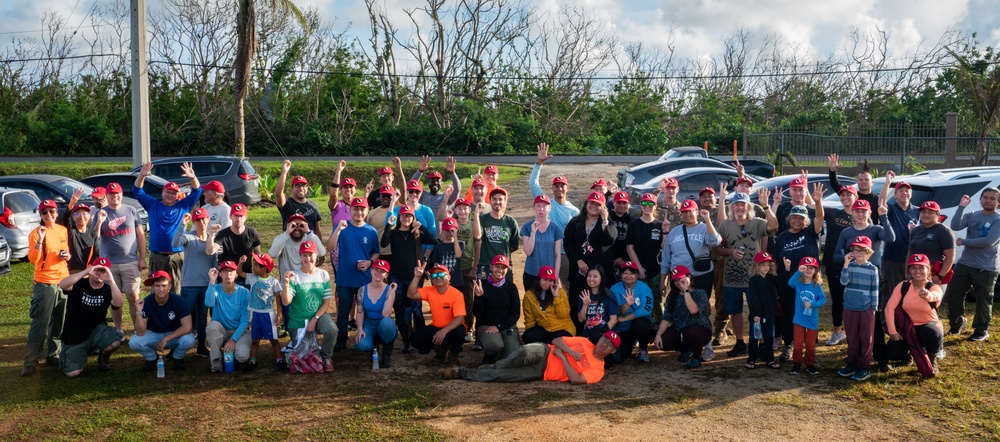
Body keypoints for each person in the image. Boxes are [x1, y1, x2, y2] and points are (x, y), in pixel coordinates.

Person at [715, 188, 776, 358]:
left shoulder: (756, 222)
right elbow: (717, 249)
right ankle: (740, 342)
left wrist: (766, 206)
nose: (739, 207)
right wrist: (730, 251)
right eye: (736, 205)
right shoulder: (725, 225)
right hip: (732, 277)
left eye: (743, 204)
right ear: (732, 207)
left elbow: (773, 226)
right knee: (735, 311)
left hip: (753, 277)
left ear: (748, 206)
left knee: (758, 310)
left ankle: (761, 344)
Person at [772, 184, 825, 362]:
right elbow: (776, 260)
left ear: (805, 220)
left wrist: (817, 201)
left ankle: (809, 345)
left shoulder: (811, 232)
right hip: (789, 280)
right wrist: (779, 279)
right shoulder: (782, 237)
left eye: (800, 218)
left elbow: (819, 216)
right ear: (789, 219)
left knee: (810, 310)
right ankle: (789, 344)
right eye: (794, 217)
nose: (797, 220)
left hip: (809, 281)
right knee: (789, 313)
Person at [444, 332, 619, 384]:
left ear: (612, 351)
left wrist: (564, 358)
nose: (604, 344)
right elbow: (557, 340)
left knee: (502, 376)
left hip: (542, 372)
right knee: (523, 352)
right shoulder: (585, 342)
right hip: (544, 351)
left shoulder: (598, 370)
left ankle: (460, 372)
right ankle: (497, 365)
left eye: (609, 344)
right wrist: (567, 350)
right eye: (604, 339)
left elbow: (576, 380)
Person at [134, 161, 203, 294]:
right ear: (162, 192)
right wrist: (142, 176)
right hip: (157, 255)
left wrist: (192, 177)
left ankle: (175, 314)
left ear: (178, 195)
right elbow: (137, 191)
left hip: (176, 255)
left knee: (176, 289)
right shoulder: (153, 205)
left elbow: (197, 191)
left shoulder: (183, 206)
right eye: (167, 192)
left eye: (173, 193)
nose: (170, 195)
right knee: (156, 289)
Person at [875, 174, 920, 371]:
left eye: (906, 190)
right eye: (900, 190)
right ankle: (889, 328)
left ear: (911, 193)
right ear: (897, 193)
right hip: (892, 260)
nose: (904, 192)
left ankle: (909, 334)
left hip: (912, 263)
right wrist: (887, 183)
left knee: (910, 298)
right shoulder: (891, 209)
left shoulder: (918, 212)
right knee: (891, 295)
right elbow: (881, 201)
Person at [22, 199, 71, 376]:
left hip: (63, 282)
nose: (49, 215)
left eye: (52, 211)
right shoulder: (36, 233)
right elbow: (33, 259)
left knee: (59, 323)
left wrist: (67, 256)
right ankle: (30, 362)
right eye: (45, 212)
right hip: (45, 284)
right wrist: (40, 240)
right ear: (40, 215)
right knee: (40, 324)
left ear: (57, 213)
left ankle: (53, 354)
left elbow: (65, 251)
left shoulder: (62, 230)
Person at [945, 188, 1000, 342]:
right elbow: (955, 226)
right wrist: (961, 207)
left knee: (983, 299)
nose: (988, 201)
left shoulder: (998, 219)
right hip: (965, 263)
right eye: (985, 197)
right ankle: (957, 323)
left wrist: (964, 242)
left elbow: (989, 242)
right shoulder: (973, 215)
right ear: (980, 199)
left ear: (998, 202)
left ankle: (981, 330)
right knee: (953, 292)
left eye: (992, 198)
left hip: (986, 266)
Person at [380, 204, 437, 351]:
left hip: (414, 278)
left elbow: (434, 241)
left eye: (409, 216)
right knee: (399, 310)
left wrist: (422, 228)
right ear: (400, 217)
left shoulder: (416, 233)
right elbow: (383, 243)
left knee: (417, 311)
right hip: (397, 278)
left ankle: (422, 341)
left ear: (413, 218)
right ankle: (406, 340)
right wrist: (388, 225)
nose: (406, 218)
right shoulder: (393, 233)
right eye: (404, 215)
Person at [327, 197, 381, 351]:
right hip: (345, 278)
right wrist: (337, 230)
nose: (359, 212)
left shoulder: (371, 231)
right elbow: (330, 247)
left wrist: (369, 262)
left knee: (366, 309)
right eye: (355, 209)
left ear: (367, 211)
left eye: (362, 209)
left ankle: (367, 336)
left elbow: (376, 253)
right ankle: (341, 339)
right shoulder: (342, 227)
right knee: (343, 311)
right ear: (350, 211)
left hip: (364, 279)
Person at [56, 258, 124, 376]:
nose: (100, 273)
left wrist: (111, 280)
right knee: (73, 373)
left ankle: (103, 356)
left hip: (96, 331)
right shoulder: (80, 284)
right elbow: (63, 284)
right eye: (97, 270)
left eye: (103, 271)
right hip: (74, 334)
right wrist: (86, 272)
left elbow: (118, 303)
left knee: (115, 341)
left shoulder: (108, 290)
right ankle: (76, 353)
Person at [281, 240, 338, 373]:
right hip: (299, 320)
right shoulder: (295, 276)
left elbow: (326, 302)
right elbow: (286, 302)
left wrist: (315, 319)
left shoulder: (323, 275)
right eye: (304, 255)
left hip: (318, 315)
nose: (308, 259)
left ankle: (326, 357)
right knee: (305, 356)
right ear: (300, 257)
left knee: (332, 329)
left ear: (316, 255)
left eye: (311, 255)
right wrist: (286, 284)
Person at [530, 143, 581, 287]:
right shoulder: (546, 203)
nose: (559, 188)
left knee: (562, 288)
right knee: (541, 288)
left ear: (567, 188)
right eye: (556, 186)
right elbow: (533, 183)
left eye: (562, 186)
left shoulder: (574, 211)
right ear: (552, 188)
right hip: (544, 252)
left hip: (564, 255)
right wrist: (539, 163)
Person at [885, 254, 944, 377]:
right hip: (908, 327)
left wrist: (927, 295)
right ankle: (909, 352)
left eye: (921, 268)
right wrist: (892, 332)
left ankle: (931, 359)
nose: (917, 271)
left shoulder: (934, 287)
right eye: (913, 268)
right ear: (909, 270)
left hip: (928, 324)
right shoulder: (903, 286)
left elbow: (936, 296)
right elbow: (889, 308)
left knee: (933, 334)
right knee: (893, 353)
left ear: (928, 269)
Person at [564, 191, 616, 331]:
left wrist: (604, 221)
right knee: (576, 302)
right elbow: (567, 243)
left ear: (603, 207)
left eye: (598, 204)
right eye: (591, 202)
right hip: (579, 271)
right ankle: (578, 333)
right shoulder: (575, 222)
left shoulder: (608, 223)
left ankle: (597, 332)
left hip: (598, 274)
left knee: (597, 305)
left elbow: (609, 240)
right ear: (586, 203)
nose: (594, 206)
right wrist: (578, 261)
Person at [99, 182, 147, 329]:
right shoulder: (102, 213)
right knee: (115, 299)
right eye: (111, 194)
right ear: (107, 196)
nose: (115, 196)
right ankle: (119, 329)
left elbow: (141, 235)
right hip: (109, 264)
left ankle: (137, 327)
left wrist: (142, 258)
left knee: (133, 296)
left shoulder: (131, 211)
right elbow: (95, 237)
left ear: (122, 194)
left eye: (117, 193)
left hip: (130, 261)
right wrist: (99, 221)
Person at [659, 200, 721, 312]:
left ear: (696, 211)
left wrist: (707, 220)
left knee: (700, 308)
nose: (687, 215)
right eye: (684, 212)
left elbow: (715, 242)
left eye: (690, 211)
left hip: (701, 275)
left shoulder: (704, 228)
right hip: (678, 277)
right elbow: (666, 258)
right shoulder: (674, 231)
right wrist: (662, 281)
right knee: (679, 307)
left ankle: (701, 328)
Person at [173, 208, 219, 356]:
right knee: (185, 314)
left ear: (208, 220)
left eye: (203, 219)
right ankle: (175, 347)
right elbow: (175, 243)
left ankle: (201, 346)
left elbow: (214, 261)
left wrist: (214, 282)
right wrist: (182, 225)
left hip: (206, 284)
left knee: (202, 316)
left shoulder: (212, 238)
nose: (201, 223)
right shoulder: (188, 237)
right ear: (194, 222)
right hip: (189, 284)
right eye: (197, 220)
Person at [269, 212, 326, 333]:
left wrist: (309, 232)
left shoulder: (309, 239)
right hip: (289, 283)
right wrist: (286, 233)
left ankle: (310, 338)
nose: (297, 228)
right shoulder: (282, 239)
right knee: (290, 314)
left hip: (307, 283)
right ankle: (293, 339)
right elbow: (272, 254)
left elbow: (321, 252)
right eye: (293, 225)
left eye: (300, 225)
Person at [129, 271, 196, 372]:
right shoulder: (146, 302)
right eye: (157, 286)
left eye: (164, 285)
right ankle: (152, 358)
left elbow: (187, 327)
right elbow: (140, 332)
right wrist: (138, 311)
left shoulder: (179, 301)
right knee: (134, 342)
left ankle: (178, 357)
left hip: (173, 335)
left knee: (189, 339)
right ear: (152, 286)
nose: (161, 289)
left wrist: (166, 339)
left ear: (170, 286)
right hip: (154, 335)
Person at [836, 236, 879, 381]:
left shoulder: (873, 269)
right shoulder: (850, 266)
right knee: (852, 337)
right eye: (855, 250)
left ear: (868, 252)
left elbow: (875, 289)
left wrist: (874, 307)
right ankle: (851, 364)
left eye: (862, 250)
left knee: (866, 338)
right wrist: (846, 264)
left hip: (866, 308)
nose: (858, 253)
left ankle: (864, 367)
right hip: (849, 307)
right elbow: (843, 282)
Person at [820, 185, 859, 346]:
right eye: (842, 195)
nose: (845, 198)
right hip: (834, 263)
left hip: (856, 266)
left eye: (848, 195)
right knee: (837, 299)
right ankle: (837, 332)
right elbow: (816, 209)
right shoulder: (834, 213)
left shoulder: (862, 216)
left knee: (853, 300)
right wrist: (815, 198)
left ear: (856, 197)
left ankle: (854, 332)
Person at [406, 262, 467, 365]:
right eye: (434, 275)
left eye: (441, 275)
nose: (438, 278)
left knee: (460, 331)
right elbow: (410, 294)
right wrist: (417, 277)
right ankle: (440, 350)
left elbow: (460, 318)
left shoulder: (457, 294)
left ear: (449, 277)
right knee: (415, 339)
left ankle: (453, 355)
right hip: (436, 327)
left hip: (452, 328)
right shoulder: (430, 290)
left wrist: (444, 331)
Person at [654, 265, 713, 369]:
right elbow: (667, 317)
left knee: (694, 332)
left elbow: (693, 310)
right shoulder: (672, 296)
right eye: (675, 281)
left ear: (688, 277)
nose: (678, 283)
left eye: (681, 279)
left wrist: (686, 290)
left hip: (699, 329)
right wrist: (658, 334)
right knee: (664, 340)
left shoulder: (700, 293)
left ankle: (696, 357)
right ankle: (685, 349)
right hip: (680, 329)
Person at [625, 193, 667, 323]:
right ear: (641, 205)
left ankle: (659, 328)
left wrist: (665, 231)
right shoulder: (634, 224)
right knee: (640, 301)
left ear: (656, 206)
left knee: (657, 301)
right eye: (644, 203)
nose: (647, 206)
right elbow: (629, 248)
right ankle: (643, 329)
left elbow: (663, 247)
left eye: (651, 204)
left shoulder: (659, 225)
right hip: (638, 271)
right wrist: (639, 268)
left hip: (656, 270)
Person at [472, 254, 521, 364]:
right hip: (487, 325)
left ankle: (504, 353)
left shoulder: (511, 287)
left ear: (507, 270)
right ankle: (491, 354)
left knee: (512, 355)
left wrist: (499, 327)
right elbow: (477, 313)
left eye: (503, 267)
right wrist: (479, 297)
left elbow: (515, 314)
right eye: (497, 266)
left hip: (506, 325)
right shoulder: (482, 285)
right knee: (495, 345)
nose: (500, 270)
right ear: (491, 267)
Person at [204, 261, 252, 372]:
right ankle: (216, 360)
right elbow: (208, 303)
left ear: (236, 274)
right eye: (225, 271)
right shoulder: (215, 289)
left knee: (242, 356)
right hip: (222, 329)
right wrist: (212, 281)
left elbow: (245, 320)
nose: (228, 274)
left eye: (231, 271)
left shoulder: (244, 292)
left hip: (239, 331)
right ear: (220, 274)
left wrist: (233, 340)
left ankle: (228, 352)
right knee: (212, 327)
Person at [783, 256, 827, 375]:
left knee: (810, 344)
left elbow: (823, 300)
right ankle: (797, 363)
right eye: (806, 268)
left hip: (812, 320)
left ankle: (809, 364)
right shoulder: (798, 283)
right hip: (799, 318)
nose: (808, 270)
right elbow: (790, 283)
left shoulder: (816, 286)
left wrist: (812, 304)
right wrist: (798, 271)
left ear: (815, 271)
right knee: (797, 343)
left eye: (811, 268)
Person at [244, 253, 285, 372]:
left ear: (264, 268)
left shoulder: (273, 281)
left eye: (256, 265)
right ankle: (253, 361)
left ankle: (279, 360)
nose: (253, 267)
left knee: (273, 339)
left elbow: (278, 298)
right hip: (256, 315)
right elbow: (239, 272)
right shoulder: (252, 278)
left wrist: (279, 314)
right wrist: (241, 262)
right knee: (255, 339)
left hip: (268, 315)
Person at [354, 259, 398, 367]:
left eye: (382, 271)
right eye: (376, 270)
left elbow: (386, 314)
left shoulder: (389, 290)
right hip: (369, 322)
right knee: (361, 344)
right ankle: (374, 346)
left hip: (383, 322)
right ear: (371, 271)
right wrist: (360, 329)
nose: (378, 273)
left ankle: (387, 351)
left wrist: (392, 294)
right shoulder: (362, 290)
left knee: (387, 324)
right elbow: (359, 312)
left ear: (386, 275)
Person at [610, 261, 655, 364]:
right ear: (620, 275)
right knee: (622, 355)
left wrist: (625, 318)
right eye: (625, 273)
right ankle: (631, 342)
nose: (628, 276)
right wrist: (627, 304)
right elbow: (617, 310)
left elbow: (646, 309)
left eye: (632, 273)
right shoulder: (614, 288)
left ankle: (643, 349)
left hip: (638, 323)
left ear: (637, 275)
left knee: (641, 323)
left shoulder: (644, 288)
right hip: (622, 327)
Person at [209, 203, 262, 287]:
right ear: (230, 216)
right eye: (236, 216)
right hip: (228, 277)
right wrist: (211, 234)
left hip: (246, 278)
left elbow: (258, 253)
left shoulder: (252, 232)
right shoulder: (223, 234)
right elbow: (211, 250)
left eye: (241, 216)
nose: (238, 219)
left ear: (245, 217)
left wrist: (258, 271)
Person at [522, 266, 576, 344]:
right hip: (545, 328)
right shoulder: (529, 295)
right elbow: (529, 320)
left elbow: (563, 314)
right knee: (528, 336)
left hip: (563, 328)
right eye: (545, 279)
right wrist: (532, 336)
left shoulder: (560, 292)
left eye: (551, 280)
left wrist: (556, 296)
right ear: (539, 279)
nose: (547, 283)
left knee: (553, 342)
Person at [907, 201, 955, 288]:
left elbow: (950, 257)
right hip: (915, 275)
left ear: (938, 215)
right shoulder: (915, 230)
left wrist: (940, 276)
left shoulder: (943, 230)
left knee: (931, 301)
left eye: (930, 212)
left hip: (934, 275)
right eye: (923, 212)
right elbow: (910, 252)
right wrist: (907, 272)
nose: (926, 215)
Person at [520, 194, 563, 290]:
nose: (541, 209)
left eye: (544, 206)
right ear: (534, 207)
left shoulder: (555, 229)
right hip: (531, 273)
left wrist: (555, 276)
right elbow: (528, 251)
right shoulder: (527, 227)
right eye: (538, 206)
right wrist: (533, 233)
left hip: (549, 276)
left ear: (549, 208)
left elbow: (557, 255)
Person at [746, 252, 780, 369]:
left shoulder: (772, 278)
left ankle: (770, 359)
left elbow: (781, 283)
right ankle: (751, 359)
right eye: (763, 265)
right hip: (757, 315)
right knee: (754, 337)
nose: (766, 267)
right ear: (757, 266)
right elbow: (754, 298)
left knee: (769, 336)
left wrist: (786, 268)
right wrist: (757, 314)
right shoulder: (753, 280)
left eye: (768, 265)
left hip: (770, 313)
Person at [275, 159, 323, 239]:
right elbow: (278, 194)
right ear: (292, 188)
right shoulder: (287, 204)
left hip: (309, 247)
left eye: (303, 186)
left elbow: (317, 229)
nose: (301, 188)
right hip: (292, 246)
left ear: (307, 188)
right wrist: (284, 172)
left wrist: (319, 246)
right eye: (297, 186)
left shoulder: (313, 205)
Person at [477, 187, 519, 276]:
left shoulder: (510, 221)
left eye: (500, 199)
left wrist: (501, 254)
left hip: (504, 266)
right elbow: (476, 237)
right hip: (485, 265)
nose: (497, 202)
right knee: (482, 290)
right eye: (494, 199)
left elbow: (514, 246)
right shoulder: (483, 219)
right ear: (490, 200)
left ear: (505, 201)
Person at [828, 154, 879, 225]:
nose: (863, 182)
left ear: (872, 182)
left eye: (866, 179)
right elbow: (835, 185)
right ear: (857, 182)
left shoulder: (877, 200)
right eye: (860, 180)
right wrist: (832, 171)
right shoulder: (851, 196)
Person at [577, 265, 618, 344]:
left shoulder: (609, 295)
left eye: (595, 276)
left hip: (605, 335)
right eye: (589, 276)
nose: (591, 279)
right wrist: (585, 305)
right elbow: (580, 319)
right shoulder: (584, 294)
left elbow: (614, 320)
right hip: (588, 334)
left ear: (601, 278)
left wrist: (602, 333)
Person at [61, 199, 105, 273]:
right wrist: (71, 204)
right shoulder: (71, 232)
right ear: (73, 217)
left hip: (88, 272)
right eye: (77, 214)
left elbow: (97, 254)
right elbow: (66, 218)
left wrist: (88, 270)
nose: (81, 217)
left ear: (89, 216)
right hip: (71, 272)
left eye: (84, 214)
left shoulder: (93, 233)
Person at [429, 217, 464, 290]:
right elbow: (436, 264)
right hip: (442, 280)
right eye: (448, 231)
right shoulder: (439, 246)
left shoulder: (460, 244)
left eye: (452, 230)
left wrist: (455, 237)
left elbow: (458, 255)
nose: (450, 233)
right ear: (443, 231)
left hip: (456, 281)